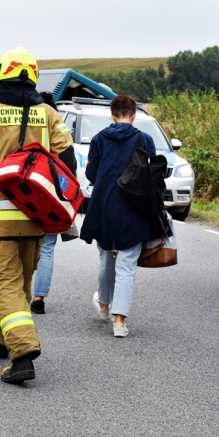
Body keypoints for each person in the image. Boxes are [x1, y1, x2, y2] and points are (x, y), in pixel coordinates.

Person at [0, 47, 76, 384]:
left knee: (5, 283)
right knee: (21, 281)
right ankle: (2, 339)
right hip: (37, 216)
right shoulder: (49, 115)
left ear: (0, 75)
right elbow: (71, 166)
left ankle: (22, 353)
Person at [80, 94, 163, 338]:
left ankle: (104, 305)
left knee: (106, 258)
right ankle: (119, 322)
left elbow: (92, 174)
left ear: (112, 115)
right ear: (134, 115)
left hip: (104, 207)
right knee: (127, 263)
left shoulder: (98, 139)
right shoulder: (144, 139)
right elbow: (153, 176)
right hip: (134, 208)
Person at [30, 92, 74, 315]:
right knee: (47, 248)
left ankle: (16, 295)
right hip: (50, 195)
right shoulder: (56, 122)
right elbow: (70, 161)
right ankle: (39, 299)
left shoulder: (25, 124)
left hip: (24, 193)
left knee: (22, 245)